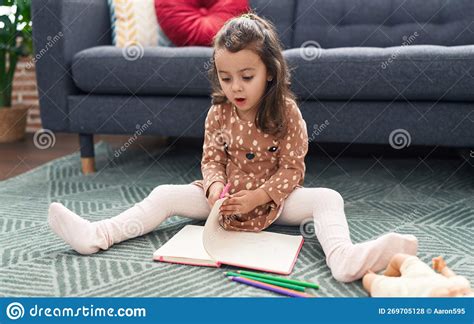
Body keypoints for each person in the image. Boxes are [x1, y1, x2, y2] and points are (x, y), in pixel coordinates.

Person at [47, 13, 417, 283]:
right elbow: (211, 160)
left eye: (246, 77)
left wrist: (258, 197)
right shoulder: (219, 112)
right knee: (163, 194)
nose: (236, 88)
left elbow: (292, 171)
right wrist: (211, 189)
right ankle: (98, 236)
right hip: (221, 202)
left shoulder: (286, 111)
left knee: (328, 199)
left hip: (276, 199)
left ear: (270, 72)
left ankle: (345, 258)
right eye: (226, 78)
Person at [363, 253, 473, 297]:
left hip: (406, 292)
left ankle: (381, 280)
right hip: (427, 276)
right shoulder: (464, 288)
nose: (455, 291)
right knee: (399, 258)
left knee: (368, 278)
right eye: (464, 294)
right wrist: (443, 268)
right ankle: (388, 276)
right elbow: (454, 278)